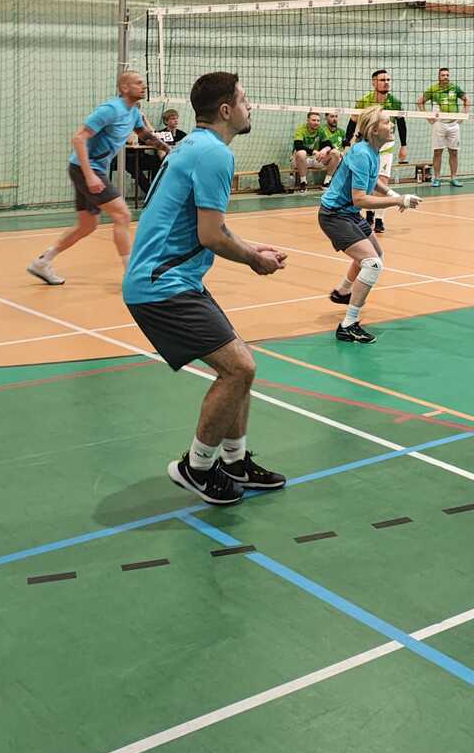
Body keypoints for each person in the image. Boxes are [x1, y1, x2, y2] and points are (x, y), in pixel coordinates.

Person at [123, 71, 288, 505]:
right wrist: (254, 261)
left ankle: (234, 462)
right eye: (245, 100)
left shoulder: (193, 146)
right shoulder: (214, 154)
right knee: (239, 368)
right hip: (162, 285)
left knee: (238, 365)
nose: (250, 107)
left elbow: (211, 224)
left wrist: (252, 246)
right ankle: (196, 468)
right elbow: (210, 235)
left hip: (173, 279)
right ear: (226, 110)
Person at [26, 72, 170, 285]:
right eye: (138, 83)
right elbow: (78, 138)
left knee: (87, 226)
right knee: (122, 214)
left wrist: (168, 149)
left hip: (88, 169)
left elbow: (145, 135)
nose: (144, 86)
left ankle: (42, 261)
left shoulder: (133, 112)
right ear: (124, 87)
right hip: (86, 169)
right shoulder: (110, 110)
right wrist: (90, 175)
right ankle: (131, 274)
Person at [319, 104, 420, 344]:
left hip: (349, 213)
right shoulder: (363, 154)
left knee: (376, 253)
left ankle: (343, 291)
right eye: (386, 122)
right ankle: (348, 325)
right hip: (335, 215)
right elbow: (360, 199)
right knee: (372, 264)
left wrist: (394, 194)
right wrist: (397, 201)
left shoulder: (371, 151)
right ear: (374, 130)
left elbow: (371, 181)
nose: (392, 125)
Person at [344, 69, 407, 234]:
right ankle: (369, 213)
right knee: (368, 180)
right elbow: (352, 122)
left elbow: (401, 124)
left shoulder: (395, 102)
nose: (386, 82)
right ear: (374, 82)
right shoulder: (364, 101)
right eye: (382, 80)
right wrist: (346, 142)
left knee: (382, 180)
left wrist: (404, 145)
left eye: (388, 80)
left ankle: (379, 219)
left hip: (386, 145)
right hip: (367, 143)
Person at [417, 67, 470, 188]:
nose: (445, 77)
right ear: (439, 77)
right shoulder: (433, 89)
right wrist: (427, 117)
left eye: (447, 75)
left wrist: (463, 116)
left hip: (453, 124)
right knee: (437, 152)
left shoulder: (454, 88)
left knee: (454, 152)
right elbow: (420, 102)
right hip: (439, 124)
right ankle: (436, 178)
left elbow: (467, 100)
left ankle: (454, 178)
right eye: (443, 75)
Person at [292, 111, 341, 193]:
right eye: (313, 120)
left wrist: (324, 150)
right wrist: (314, 151)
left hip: (316, 159)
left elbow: (329, 144)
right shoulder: (300, 130)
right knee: (301, 153)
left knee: (335, 153)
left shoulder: (320, 130)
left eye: (318, 121)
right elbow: (298, 146)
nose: (316, 123)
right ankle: (303, 182)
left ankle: (327, 182)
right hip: (301, 160)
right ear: (308, 120)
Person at [316, 111, 344, 187]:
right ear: (326, 118)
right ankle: (327, 181)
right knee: (335, 153)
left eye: (336, 116)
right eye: (332, 116)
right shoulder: (321, 130)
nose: (335, 119)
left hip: (339, 158)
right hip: (324, 158)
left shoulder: (341, 132)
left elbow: (345, 147)